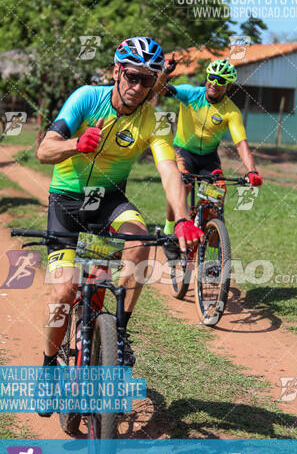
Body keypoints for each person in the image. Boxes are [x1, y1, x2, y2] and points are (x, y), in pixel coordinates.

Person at [36, 36, 203, 417]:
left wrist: (180, 218)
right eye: (131, 76)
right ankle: (47, 369)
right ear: (117, 72)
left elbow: (168, 170)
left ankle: (119, 332)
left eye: (147, 80)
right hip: (67, 200)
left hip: (110, 201)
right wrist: (76, 144)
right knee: (63, 291)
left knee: (140, 241)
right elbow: (44, 150)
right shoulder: (86, 98)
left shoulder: (154, 120)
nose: (137, 87)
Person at [157, 57, 263, 234]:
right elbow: (159, 89)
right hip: (183, 152)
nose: (214, 83)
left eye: (221, 81)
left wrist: (251, 170)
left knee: (216, 202)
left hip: (209, 159)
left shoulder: (231, 111)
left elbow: (241, 144)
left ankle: (204, 228)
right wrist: (165, 72)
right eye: (211, 77)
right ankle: (169, 227)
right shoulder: (191, 94)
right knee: (182, 185)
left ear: (229, 86)